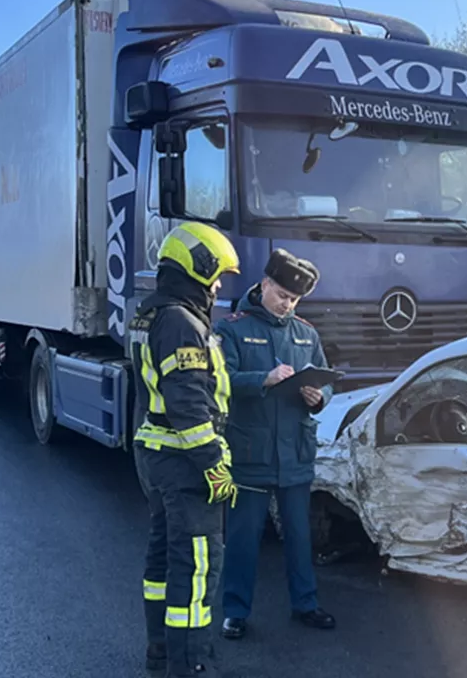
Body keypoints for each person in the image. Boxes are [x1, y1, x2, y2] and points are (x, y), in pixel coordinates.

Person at [129, 221, 241, 677]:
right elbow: (190, 405)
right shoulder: (181, 321)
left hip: (157, 455)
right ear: (198, 267)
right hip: (184, 462)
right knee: (197, 569)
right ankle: (192, 665)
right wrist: (215, 466)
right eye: (216, 276)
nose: (217, 287)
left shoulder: (151, 313)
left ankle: (161, 650)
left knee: (163, 559)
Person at [215, 248, 336, 640]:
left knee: (299, 536)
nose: (287, 304)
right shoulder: (232, 328)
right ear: (265, 284)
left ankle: (306, 603)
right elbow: (220, 382)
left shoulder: (306, 333)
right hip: (251, 450)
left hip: (295, 452)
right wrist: (261, 380)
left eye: (294, 300)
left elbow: (325, 380)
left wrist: (321, 396)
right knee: (243, 537)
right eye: (282, 295)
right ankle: (235, 611)